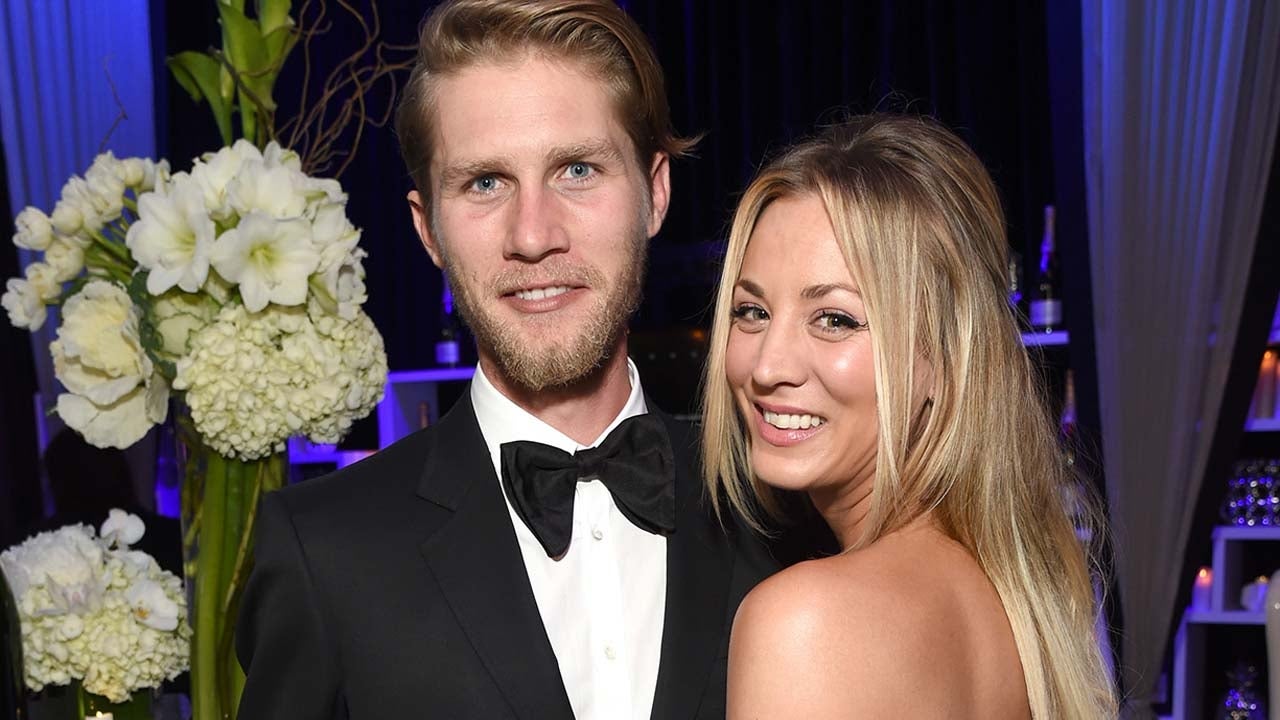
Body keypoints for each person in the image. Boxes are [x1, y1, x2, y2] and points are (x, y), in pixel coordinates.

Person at [235, 1, 778, 718]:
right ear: (428, 229)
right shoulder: (325, 553)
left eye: (577, 169)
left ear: (655, 191)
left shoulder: (778, 509)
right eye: (485, 182)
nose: (532, 235)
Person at [700, 114, 1119, 718]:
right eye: (752, 311)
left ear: (940, 359)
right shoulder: (1025, 597)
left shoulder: (804, 624)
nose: (767, 366)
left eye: (835, 319)